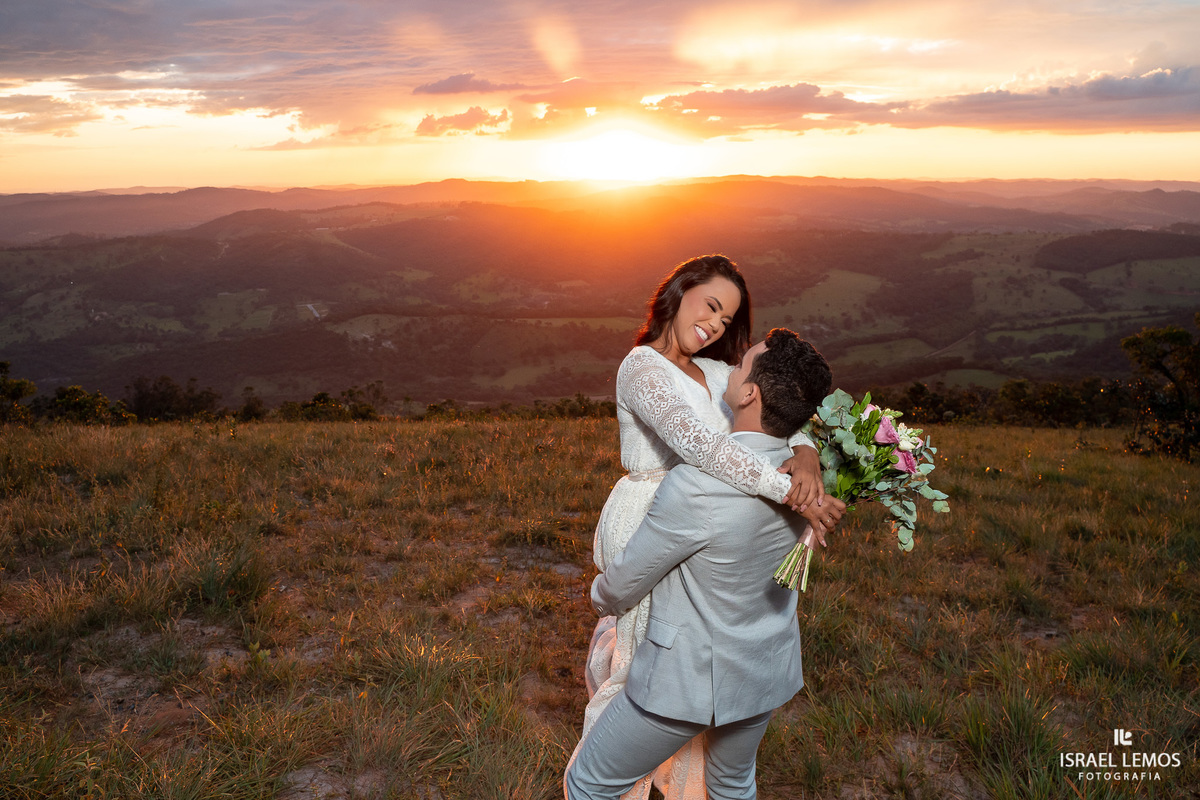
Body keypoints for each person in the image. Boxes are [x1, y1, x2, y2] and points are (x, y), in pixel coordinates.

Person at [567, 255, 840, 800]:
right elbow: (703, 448)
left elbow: (784, 406)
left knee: (669, 669)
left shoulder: (719, 373)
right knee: (639, 663)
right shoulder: (641, 367)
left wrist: (806, 456)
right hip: (658, 514)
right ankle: (639, 772)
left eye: (727, 318)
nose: (717, 326)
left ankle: (639, 771)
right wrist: (791, 491)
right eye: (711, 306)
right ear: (678, 290)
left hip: (709, 512)